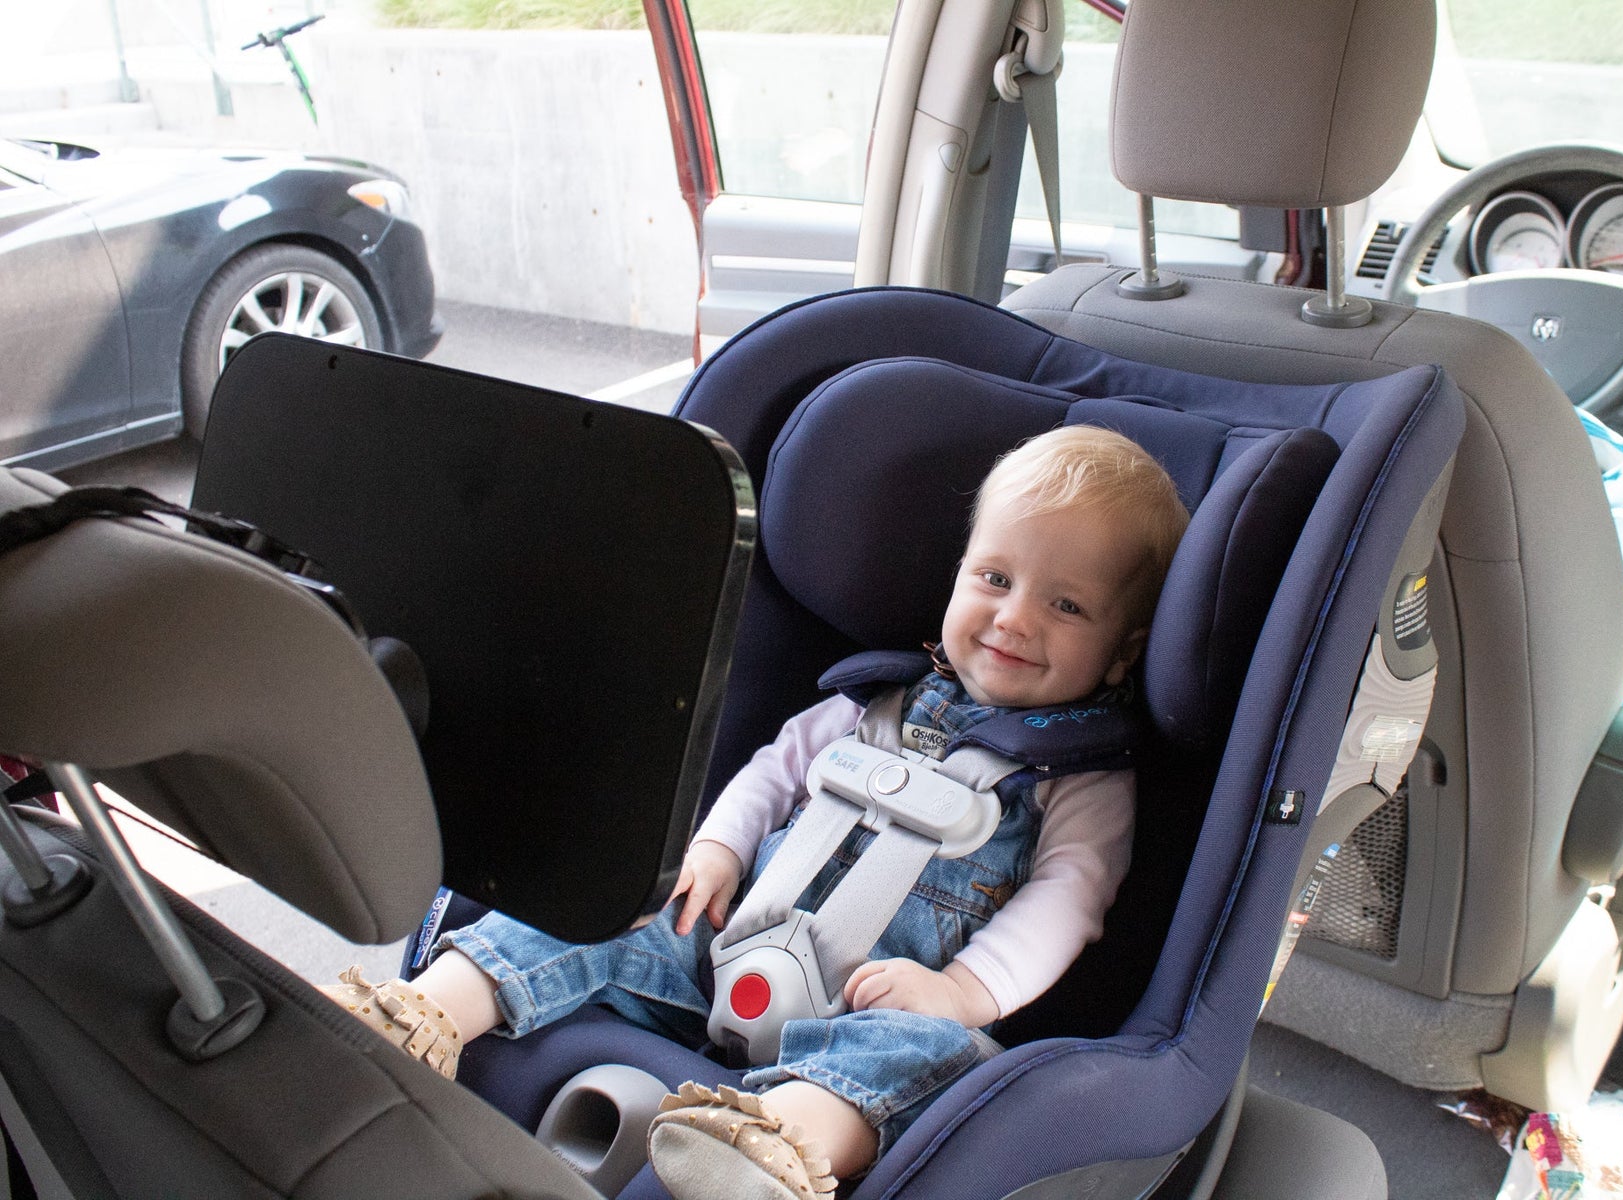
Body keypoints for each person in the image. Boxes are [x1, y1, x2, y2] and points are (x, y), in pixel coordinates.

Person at [324, 424, 1190, 1200]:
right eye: (994, 578)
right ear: (958, 574)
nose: (1012, 617)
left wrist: (961, 993)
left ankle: (777, 1146)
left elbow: (1069, 901)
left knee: (941, 1061)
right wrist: (717, 850)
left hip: (874, 1006)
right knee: (613, 913)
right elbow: (772, 775)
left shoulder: (1080, 778)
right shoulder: (874, 703)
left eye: (1065, 605)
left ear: (1124, 652)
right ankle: (421, 1012)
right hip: (727, 938)